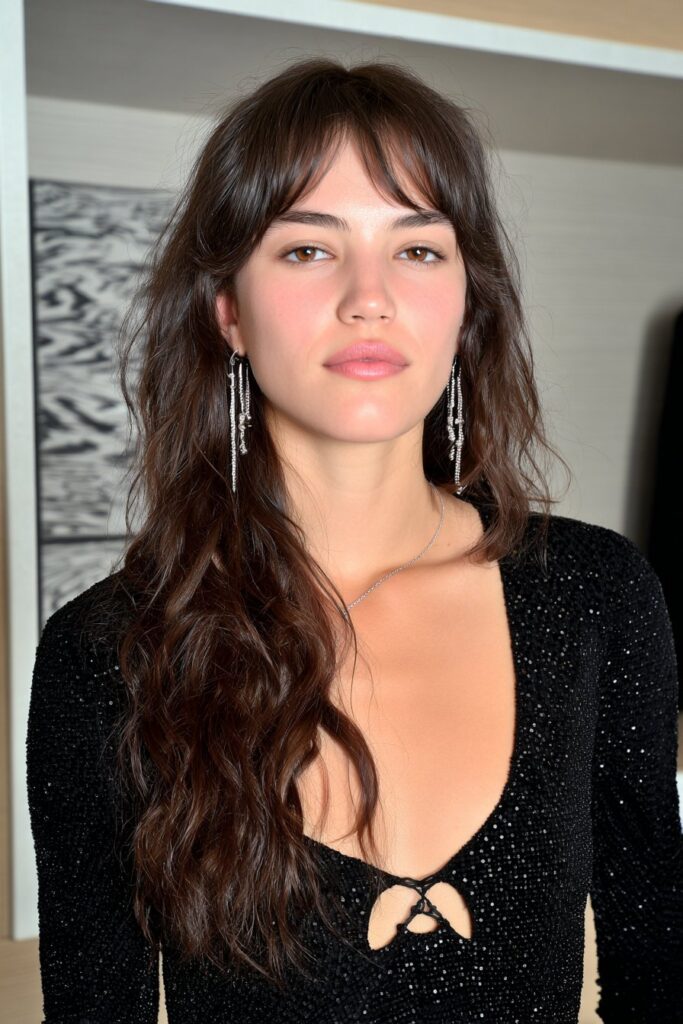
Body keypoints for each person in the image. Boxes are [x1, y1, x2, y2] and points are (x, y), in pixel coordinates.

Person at [26, 57, 682, 1023]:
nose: (367, 295)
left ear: (467, 309)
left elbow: (654, 971)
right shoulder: (107, 654)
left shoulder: (593, 595)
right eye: (307, 249)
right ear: (228, 314)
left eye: (417, 249)